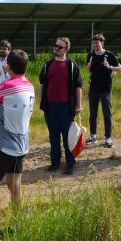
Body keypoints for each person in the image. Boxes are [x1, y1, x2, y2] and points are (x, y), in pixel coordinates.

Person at [0, 49, 35, 229]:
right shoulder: (30, 86)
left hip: (4, 146)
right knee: (15, 186)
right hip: (22, 145)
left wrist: (4, 77)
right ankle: (17, 226)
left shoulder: (5, 86)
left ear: (9, 66)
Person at [39, 37, 83, 174]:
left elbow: (78, 86)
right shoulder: (47, 65)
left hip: (67, 108)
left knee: (68, 137)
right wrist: (42, 102)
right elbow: (41, 84)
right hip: (50, 107)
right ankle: (55, 163)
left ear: (66, 49)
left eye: (60, 47)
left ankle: (70, 163)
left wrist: (78, 105)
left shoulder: (72, 65)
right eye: (55, 45)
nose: (56, 48)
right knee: (53, 136)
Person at [85, 34, 121, 148]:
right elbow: (89, 69)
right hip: (93, 89)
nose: (95, 45)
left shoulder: (109, 55)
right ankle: (93, 135)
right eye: (93, 43)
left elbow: (120, 68)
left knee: (107, 114)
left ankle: (108, 137)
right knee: (93, 114)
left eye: (97, 43)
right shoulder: (90, 55)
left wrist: (110, 67)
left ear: (102, 43)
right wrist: (88, 66)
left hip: (106, 90)